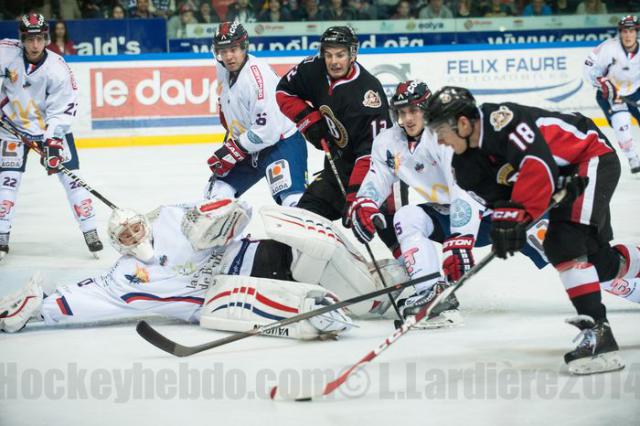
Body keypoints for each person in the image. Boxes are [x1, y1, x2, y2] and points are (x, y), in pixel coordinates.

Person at [423, 85, 640, 375]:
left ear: (463, 124)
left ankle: (598, 335)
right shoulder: (465, 168)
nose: (438, 139)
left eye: (440, 130)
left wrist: (520, 213)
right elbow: (502, 199)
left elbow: (537, 164)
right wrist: (504, 227)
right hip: (561, 174)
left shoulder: (502, 120)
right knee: (598, 263)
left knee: (563, 243)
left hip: (588, 155)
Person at [0, 199, 407, 338]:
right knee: (339, 300)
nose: (135, 234)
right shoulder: (123, 278)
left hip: (260, 257)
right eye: (125, 235)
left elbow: (237, 213)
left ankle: (402, 274)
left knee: (327, 250)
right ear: (117, 246)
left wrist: (218, 220)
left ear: (146, 221)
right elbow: (84, 298)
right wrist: (39, 307)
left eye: (137, 226)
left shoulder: (173, 217)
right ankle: (363, 300)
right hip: (227, 300)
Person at [349, 80, 548, 327]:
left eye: (414, 111)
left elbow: (462, 188)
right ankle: (431, 293)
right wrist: (365, 202)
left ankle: (610, 275)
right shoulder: (388, 142)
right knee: (407, 217)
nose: (407, 119)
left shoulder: (442, 135)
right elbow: (377, 177)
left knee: (564, 250)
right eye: (401, 112)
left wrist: (460, 238)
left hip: (497, 211)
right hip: (448, 213)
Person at [276, 26, 407, 257]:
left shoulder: (369, 95)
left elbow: (371, 155)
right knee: (305, 215)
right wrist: (309, 120)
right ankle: (299, 270)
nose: (334, 61)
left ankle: (420, 278)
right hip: (337, 165)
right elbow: (284, 91)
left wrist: (354, 197)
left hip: (380, 171)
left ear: (352, 54)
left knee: (394, 230)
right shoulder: (312, 69)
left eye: (340, 55)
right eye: (329, 54)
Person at [0, 14, 103, 262]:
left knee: (72, 181)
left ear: (46, 38)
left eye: (39, 39)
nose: (35, 45)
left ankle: (90, 229)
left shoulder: (58, 68)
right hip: (10, 127)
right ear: (21, 39)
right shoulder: (4, 52)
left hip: (50, 130)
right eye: (29, 39)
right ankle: (2, 234)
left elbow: (63, 108)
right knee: (8, 182)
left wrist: (52, 141)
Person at [206, 22, 308, 208]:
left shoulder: (257, 78)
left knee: (293, 203)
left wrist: (233, 149)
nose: (228, 56)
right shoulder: (223, 67)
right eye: (223, 50)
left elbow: (268, 131)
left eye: (234, 49)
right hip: (250, 146)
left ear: (244, 46)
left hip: (281, 144)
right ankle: (228, 236)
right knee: (217, 193)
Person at [584, 15, 640, 174]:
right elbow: (588, 71)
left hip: (635, 91)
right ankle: (632, 156)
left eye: (632, 31)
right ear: (620, 33)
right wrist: (602, 83)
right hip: (611, 94)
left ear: (637, 32)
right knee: (621, 122)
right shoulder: (608, 49)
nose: (628, 35)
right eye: (624, 31)